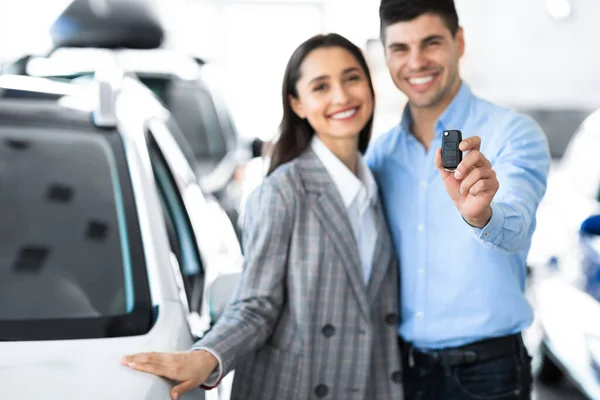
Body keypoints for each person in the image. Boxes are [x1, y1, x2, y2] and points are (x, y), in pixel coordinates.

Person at [121, 33, 404, 400]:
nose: (341, 96)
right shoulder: (283, 191)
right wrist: (207, 356)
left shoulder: (379, 184)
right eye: (321, 86)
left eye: (352, 78)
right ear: (297, 104)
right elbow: (255, 306)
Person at [366, 1, 551, 399]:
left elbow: (517, 223)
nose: (416, 62)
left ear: (459, 42)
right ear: (385, 55)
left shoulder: (513, 133)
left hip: (489, 375)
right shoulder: (379, 155)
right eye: (400, 48)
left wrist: (483, 215)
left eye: (430, 43)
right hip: (402, 372)